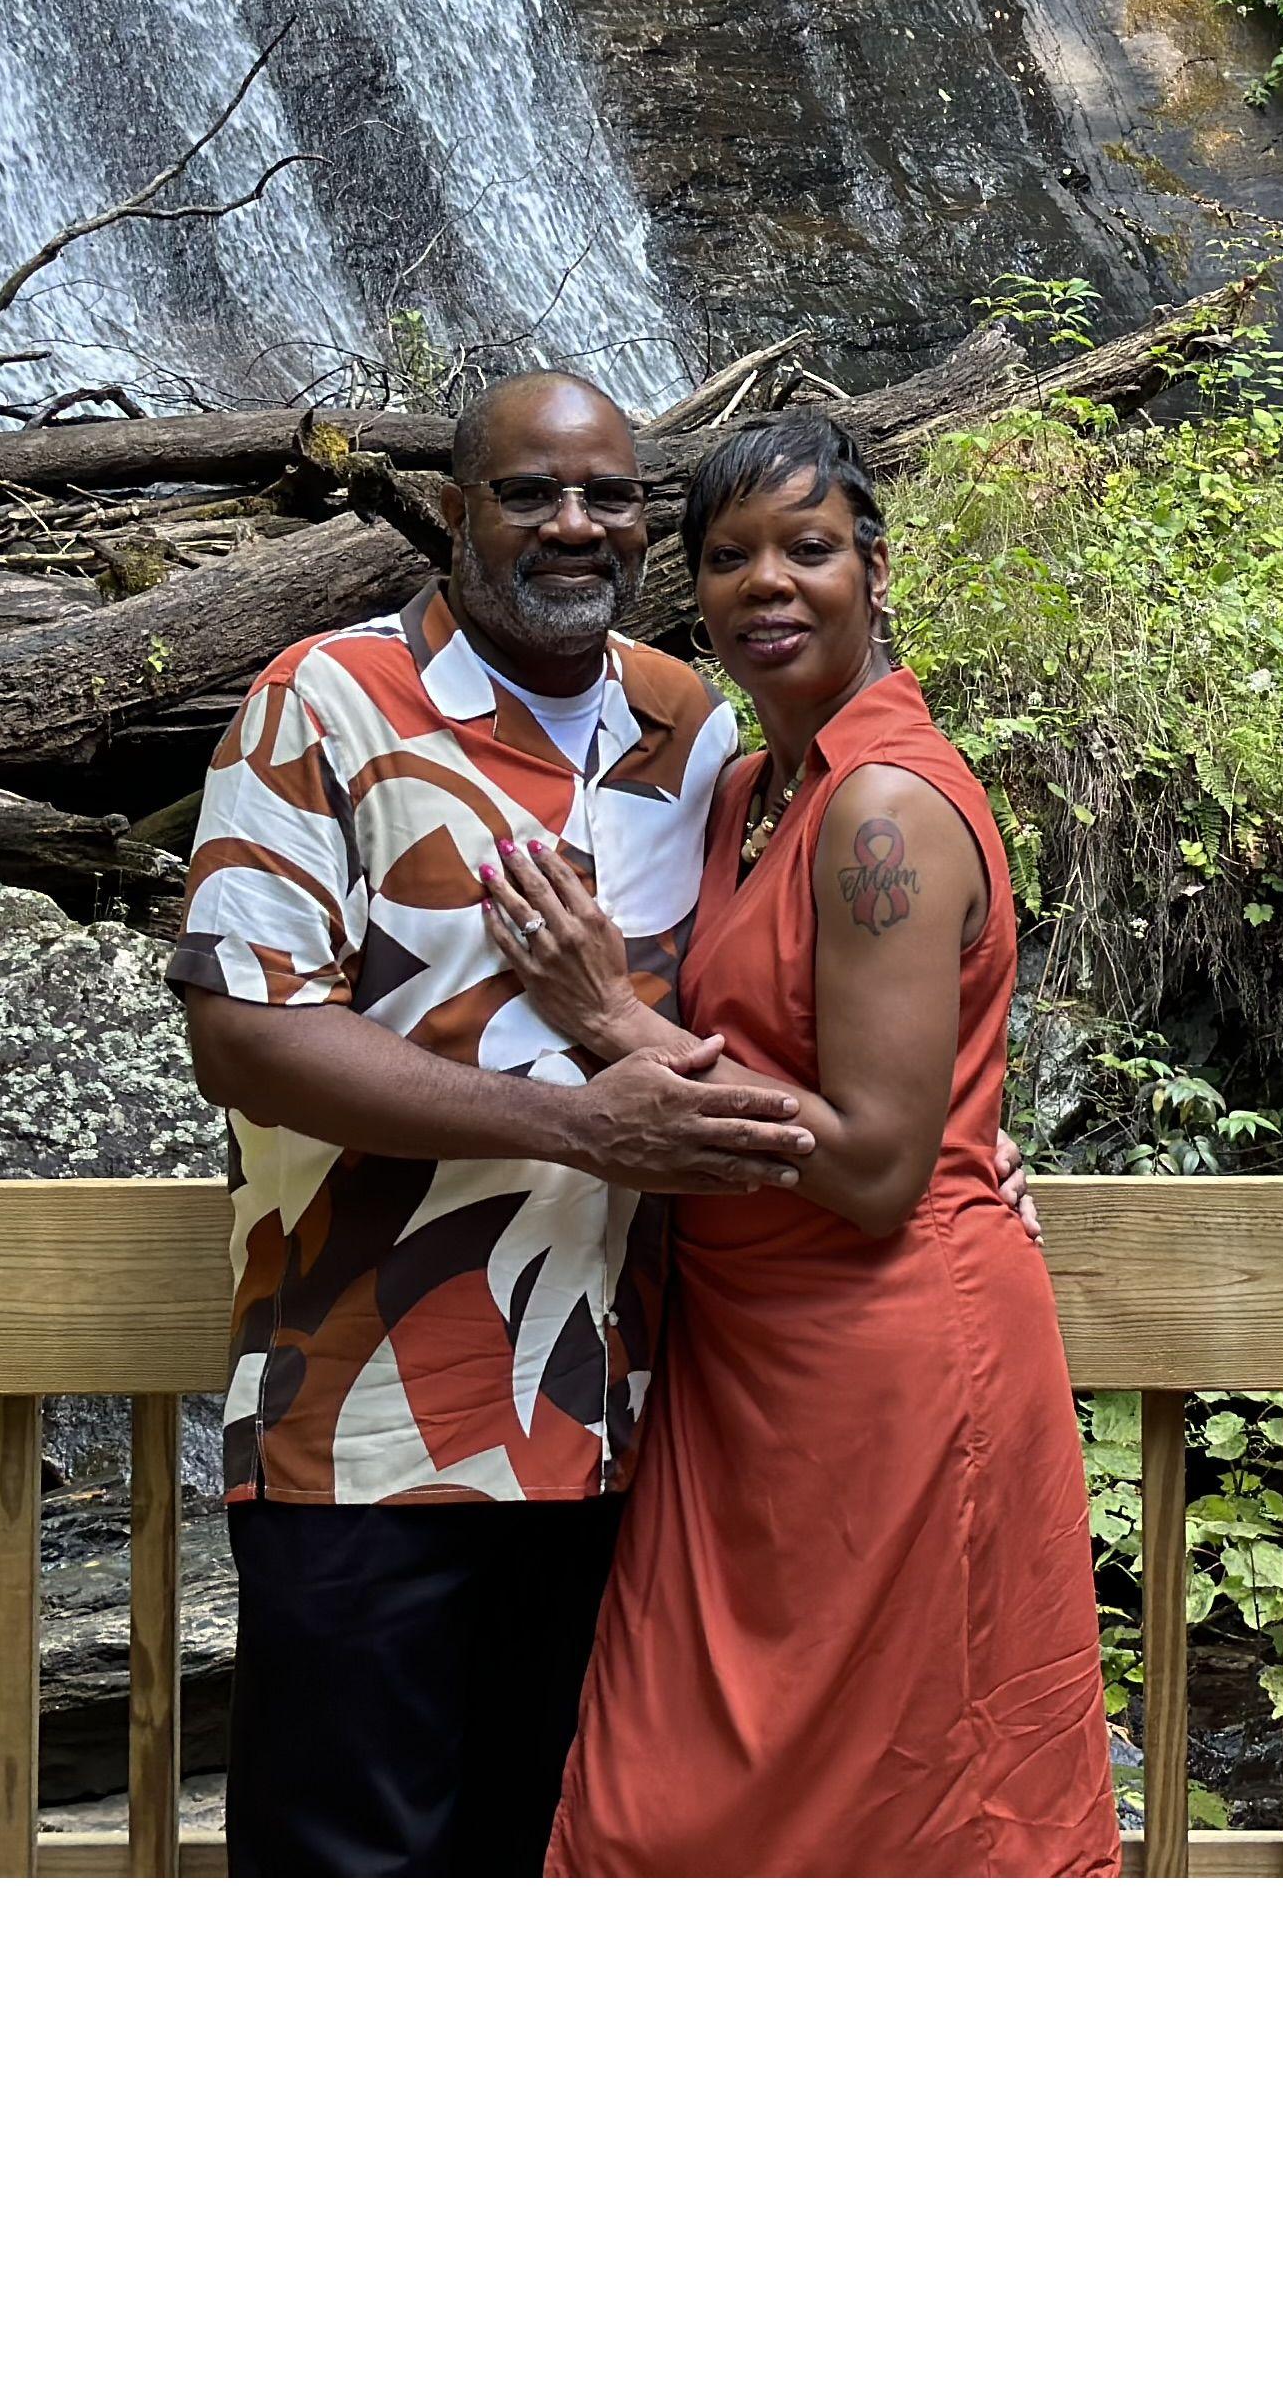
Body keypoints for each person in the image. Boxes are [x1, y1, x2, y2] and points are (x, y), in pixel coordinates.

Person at [172, 369, 818, 1877]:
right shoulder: (320, 703)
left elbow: (769, 1014)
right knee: (355, 1879)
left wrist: (964, 1159)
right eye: (531, 493)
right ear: (456, 513)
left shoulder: (689, 728)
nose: (576, 526)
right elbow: (247, 1037)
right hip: (373, 1422)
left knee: (564, 1867)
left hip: (634, 1436)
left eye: (610, 495)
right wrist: (581, 1128)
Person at [482, 406, 1120, 1877]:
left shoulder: (879, 808)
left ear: (874, 570)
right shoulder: (754, 792)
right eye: (727, 558)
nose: (766, 583)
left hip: (888, 1354)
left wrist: (605, 1021)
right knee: (680, 1790)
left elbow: (884, 1169)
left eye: (807, 550)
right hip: (745, 1361)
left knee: (914, 1803)